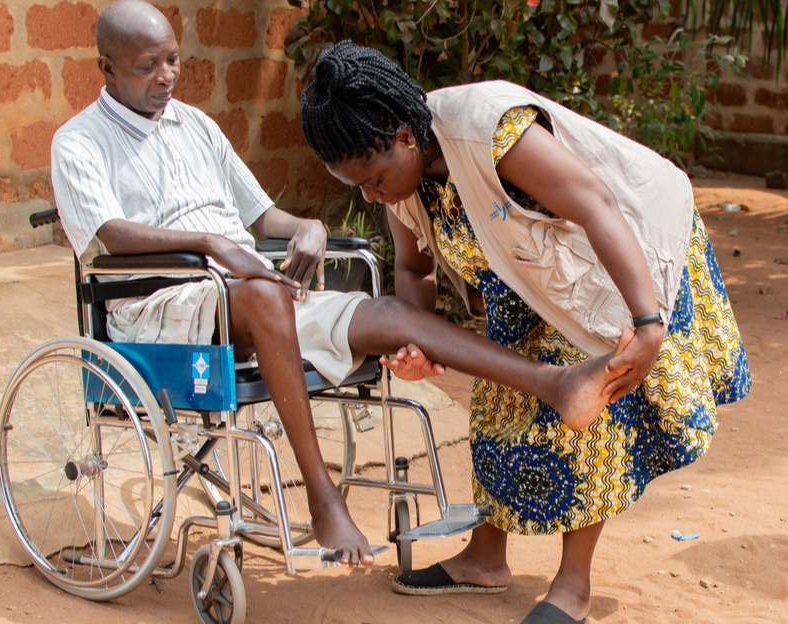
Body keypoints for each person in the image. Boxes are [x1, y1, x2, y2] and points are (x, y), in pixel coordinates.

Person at [51, 0, 620, 571]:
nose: (166, 75)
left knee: (388, 313)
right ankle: (324, 500)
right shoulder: (78, 142)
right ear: (107, 68)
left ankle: (554, 383)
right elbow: (107, 234)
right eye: (147, 66)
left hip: (246, 291)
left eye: (172, 59)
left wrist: (309, 227)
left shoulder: (196, 125)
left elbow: (263, 216)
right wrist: (212, 244)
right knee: (264, 290)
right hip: (159, 303)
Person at [300, 41, 752, 623]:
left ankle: (573, 587)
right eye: (357, 187)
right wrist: (414, 344)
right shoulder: (403, 188)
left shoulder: (491, 130)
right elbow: (414, 270)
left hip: (617, 261)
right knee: (497, 402)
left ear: (406, 138)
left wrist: (646, 323)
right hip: (529, 282)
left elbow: (596, 205)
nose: (372, 194)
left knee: (589, 411)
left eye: (375, 178)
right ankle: (486, 558)